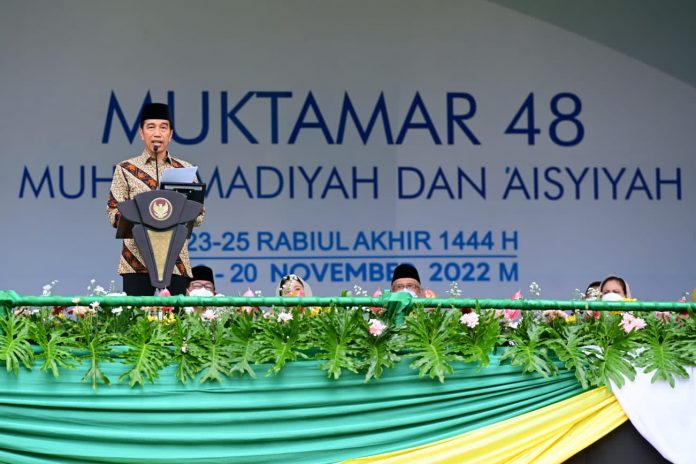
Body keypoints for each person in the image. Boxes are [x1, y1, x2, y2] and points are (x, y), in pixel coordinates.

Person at [106, 103, 205, 296]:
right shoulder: (125, 169)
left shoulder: (184, 169)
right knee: (137, 323)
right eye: (151, 127)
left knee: (175, 323)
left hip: (176, 261)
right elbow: (113, 214)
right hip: (136, 262)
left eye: (163, 127)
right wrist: (145, 213)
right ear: (142, 133)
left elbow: (199, 215)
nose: (157, 133)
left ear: (171, 134)